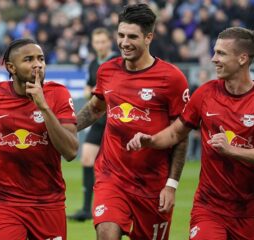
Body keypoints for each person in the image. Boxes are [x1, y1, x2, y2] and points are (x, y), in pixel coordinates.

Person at [127, 27, 254, 240]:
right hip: (209, 208)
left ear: (243, 58)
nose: (214, 59)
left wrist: (231, 150)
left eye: (221, 53)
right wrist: (150, 140)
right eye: (215, 52)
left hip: (250, 213)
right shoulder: (205, 93)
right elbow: (176, 133)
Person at [75, 4, 189, 239]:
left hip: (153, 185)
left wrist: (171, 184)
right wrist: (64, 127)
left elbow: (180, 134)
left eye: (132, 36)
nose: (124, 42)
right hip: (112, 177)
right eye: (121, 35)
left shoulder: (172, 78)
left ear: (149, 37)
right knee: (106, 232)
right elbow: (95, 109)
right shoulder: (107, 71)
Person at [0, 38, 79, 240]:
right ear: (11, 67)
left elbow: (70, 152)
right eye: (29, 59)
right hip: (7, 203)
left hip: (49, 204)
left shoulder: (58, 94)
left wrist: (43, 106)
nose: (38, 64)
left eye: (41, 59)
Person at [69, 27, 119, 222]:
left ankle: (112, 207)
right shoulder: (92, 64)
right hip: (98, 119)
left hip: (115, 120)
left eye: (103, 42)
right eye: (96, 42)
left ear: (109, 42)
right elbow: (90, 88)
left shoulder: (117, 62)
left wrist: (93, 90)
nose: (100, 45)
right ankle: (86, 208)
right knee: (87, 159)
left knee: (114, 165)